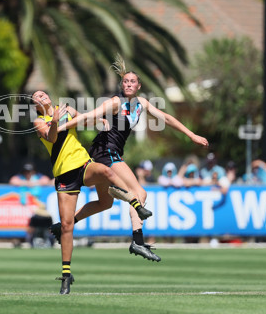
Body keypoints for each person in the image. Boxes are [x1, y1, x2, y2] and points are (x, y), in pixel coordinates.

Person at [53, 55, 208, 263]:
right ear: (121, 85)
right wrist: (62, 126)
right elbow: (90, 116)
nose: (128, 84)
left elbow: (167, 118)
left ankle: (62, 225)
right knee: (139, 193)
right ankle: (137, 241)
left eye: (132, 81)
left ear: (139, 86)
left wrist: (191, 135)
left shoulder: (141, 104)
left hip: (108, 153)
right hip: (105, 152)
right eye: (125, 81)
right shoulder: (115, 102)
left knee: (105, 203)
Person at [31, 90, 152, 294]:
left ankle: (136, 204)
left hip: (83, 163)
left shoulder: (65, 108)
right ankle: (66, 276)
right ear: (35, 106)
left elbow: (83, 121)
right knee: (67, 226)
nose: (42, 97)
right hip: (64, 174)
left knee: (105, 170)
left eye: (43, 94)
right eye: (37, 97)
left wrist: (99, 121)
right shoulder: (39, 121)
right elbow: (52, 139)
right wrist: (54, 121)